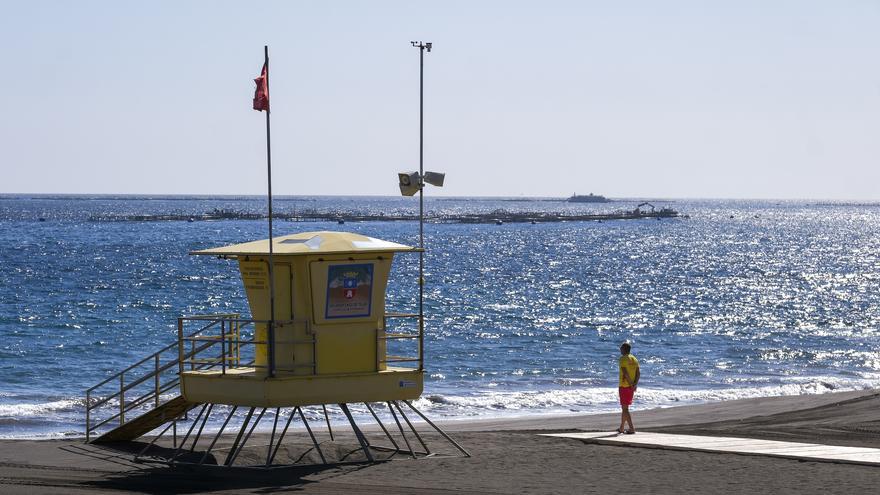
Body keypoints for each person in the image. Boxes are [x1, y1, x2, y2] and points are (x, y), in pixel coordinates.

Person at [617, 341, 640, 434]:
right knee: (624, 407)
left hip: (624, 386)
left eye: (621, 348)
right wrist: (635, 384)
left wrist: (631, 384)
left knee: (625, 409)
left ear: (624, 349)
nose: (620, 349)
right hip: (631, 386)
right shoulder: (634, 359)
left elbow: (625, 372)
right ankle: (622, 427)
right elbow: (638, 373)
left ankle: (631, 428)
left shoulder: (623, 359)